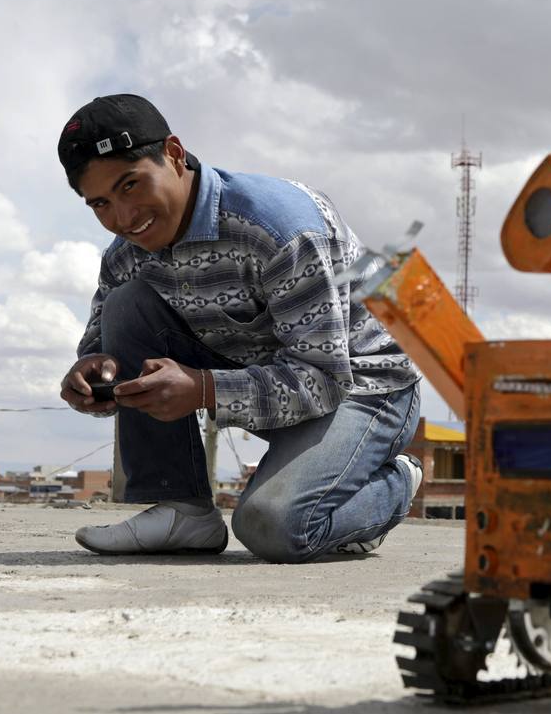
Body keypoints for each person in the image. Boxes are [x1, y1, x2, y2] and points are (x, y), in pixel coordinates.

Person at [56, 94, 422, 562]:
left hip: (364, 388)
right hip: (261, 376)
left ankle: (396, 480)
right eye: (101, 203)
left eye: (131, 185)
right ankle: (182, 511)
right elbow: (101, 335)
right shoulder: (127, 253)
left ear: (172, 153)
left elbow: (325, 379)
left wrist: (204, 388)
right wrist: (93, 371)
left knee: (273, 526)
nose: (124, 218)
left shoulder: (279, 228)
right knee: (127, 304)